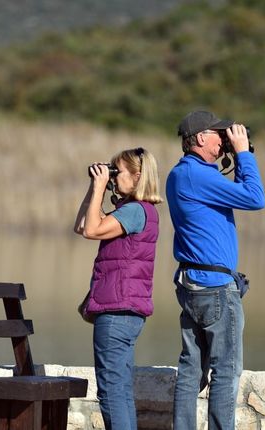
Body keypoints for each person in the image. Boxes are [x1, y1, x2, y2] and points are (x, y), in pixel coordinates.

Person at [166, 111, 265, 430]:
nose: (223, 139)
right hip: (215, 289)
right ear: (199, 138)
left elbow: (235, 195)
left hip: (192, 284)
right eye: (217, 134)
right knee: (226, 370)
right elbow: (255, 198)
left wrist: (235, 158)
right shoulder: (200, 176)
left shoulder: (182, 173)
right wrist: (243, 154)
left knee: (191, 368)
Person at [73, 147, 163, 430]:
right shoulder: (137, 211)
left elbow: (92, 231)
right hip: (125, 312)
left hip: (116, 312)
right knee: (120, 391)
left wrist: (101, 186)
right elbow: (82, 226)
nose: (112, 176)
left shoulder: (135, 211)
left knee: (111, 392)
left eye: (117, 171)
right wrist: (94, 188)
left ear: (137, 177)